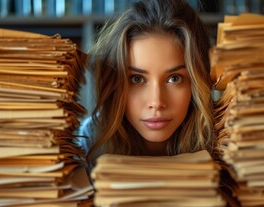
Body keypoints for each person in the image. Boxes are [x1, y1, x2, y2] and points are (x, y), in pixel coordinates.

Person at [79, 0, 215, 166]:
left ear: (197, 82)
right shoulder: (91, 138)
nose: (156, 103)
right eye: (137, 79)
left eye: (174, 78)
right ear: (115, 82)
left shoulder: (228, 140)